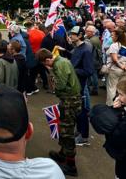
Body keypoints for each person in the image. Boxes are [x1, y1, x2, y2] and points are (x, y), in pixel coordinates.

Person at [36, 48, 81, 176]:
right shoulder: (61, 61)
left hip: (69, 100)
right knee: (63, 128)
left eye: (46, 64)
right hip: (68, 99)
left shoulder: (59, 65)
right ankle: (63, 154)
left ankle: (71, 165)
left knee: (67, 132)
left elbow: (60, 85)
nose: (46, 66)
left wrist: (51, 74)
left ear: (48, 59)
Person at [69, 26, 94, 146]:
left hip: (81, 86)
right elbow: (75, 59)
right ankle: (79, 131)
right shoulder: (78, 47)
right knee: (77, 111)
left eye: (73, 34)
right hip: (75, 85)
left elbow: (89, 71)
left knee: (82, 112)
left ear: (80, 35)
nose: (70, 36)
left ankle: (84, 137)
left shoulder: (86, 49)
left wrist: (72, 70)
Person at [105, 28, 126, 106]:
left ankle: (111, 105)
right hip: (125, 69)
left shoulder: (114, 45)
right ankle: (119, 104)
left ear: (117, 36)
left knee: (111, 89)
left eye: (112, 35)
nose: (111, 37)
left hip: (115, 69)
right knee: (121, 89)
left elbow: (115, 59)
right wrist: (124, 65)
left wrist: (121, 66)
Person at [84, 25, 102, 95]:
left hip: (93, 60)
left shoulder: (91, 41)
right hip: (96, 60)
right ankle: (94, 89)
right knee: (94, 76)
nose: (86, 32)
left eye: (87, 31)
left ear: (91, 32)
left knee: (93, 76)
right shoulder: (95, 38)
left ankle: (95, 89)